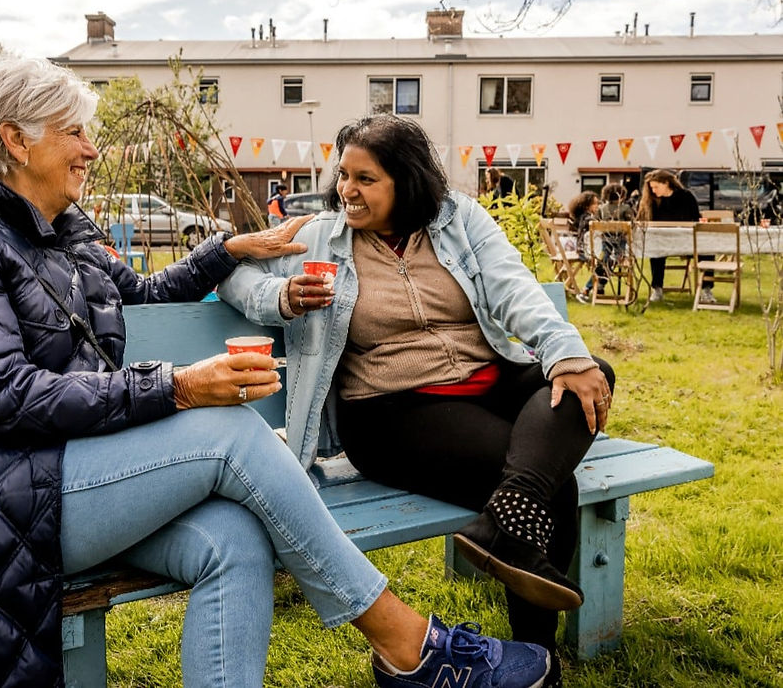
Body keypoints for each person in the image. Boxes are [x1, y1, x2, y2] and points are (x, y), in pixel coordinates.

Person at [0, 59, 550, 688]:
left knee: (234, 542)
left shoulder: (67, 232)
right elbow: (3, 397)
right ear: (13, 140)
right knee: (228, 431)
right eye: (72, 132)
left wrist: (228, 250)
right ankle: (409, 646)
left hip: (57, 475)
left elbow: (143, 295)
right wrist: (176, 387)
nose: (91, 148)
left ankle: (404, 652)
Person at [219, 114, 616, 688]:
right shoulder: (320, 236)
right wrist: (279, 296)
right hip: (390, 408)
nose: (346, 190)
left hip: (486, 381)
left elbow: (513, 288)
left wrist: (566, 354)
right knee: (554, 480)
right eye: (344, 175)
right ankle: (536, 658)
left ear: (406, 182)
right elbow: (232, 274)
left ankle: (508, 520)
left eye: (365, 179)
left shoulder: (459, 221)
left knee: (588, 373)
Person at [638, 169, 714, 304]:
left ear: (666, 183)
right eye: (652, 188)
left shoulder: (686, 196)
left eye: (656, 187)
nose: (654, 190)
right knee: (656, 251)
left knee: (706, 248)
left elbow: (695, 219)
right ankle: (657, 288)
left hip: (687, 240)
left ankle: (706, 289)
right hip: (663, 240)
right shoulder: (652, 201)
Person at [566, 190, 601, 303]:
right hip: (585, 251)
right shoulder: (587, 218)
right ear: (587, 206)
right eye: (594, 203)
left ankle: (598, 286)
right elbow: (594, 226)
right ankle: (587, 289)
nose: (597, 206)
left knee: (608, 259)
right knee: (607, 261)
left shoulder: (582, 217)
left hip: (583, 249)